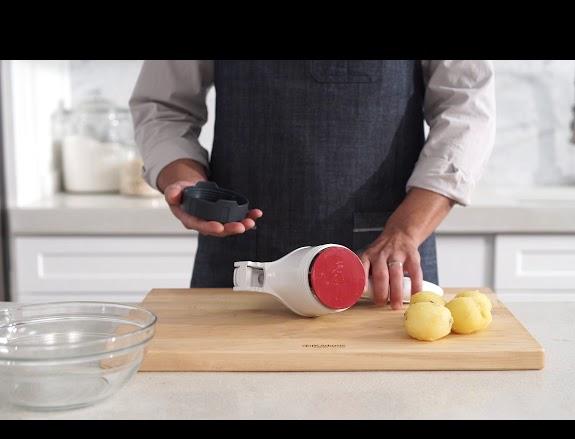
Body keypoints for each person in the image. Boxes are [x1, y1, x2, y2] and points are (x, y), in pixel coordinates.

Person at [130, 60, 495, 310]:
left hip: (384, 266)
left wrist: (405, 230)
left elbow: (466, 110)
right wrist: (182, 176)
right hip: (240, 260)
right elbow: (163, 106)